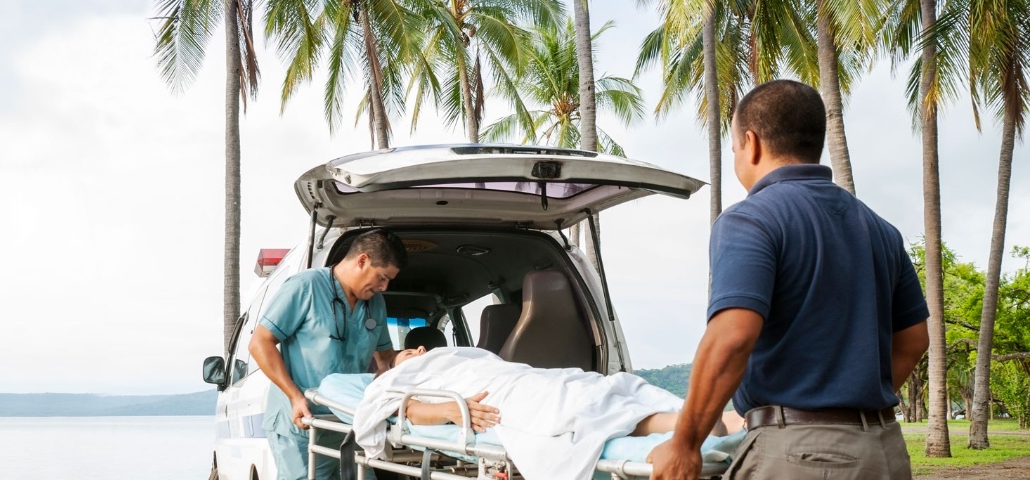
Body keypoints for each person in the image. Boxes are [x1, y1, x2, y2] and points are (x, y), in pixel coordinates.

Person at [647, 80, 930, 480]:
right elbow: (914, 340)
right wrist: (848, 406)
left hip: (803, 457)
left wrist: (684, 443)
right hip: (882, 450)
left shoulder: (751, 219)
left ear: (752, 142)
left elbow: (732, 337)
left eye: (734, 150)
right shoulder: (880, 229)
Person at [355, 347, 741, 480]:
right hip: (496, 395)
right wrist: (455, 412)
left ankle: (688, 419)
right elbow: (409, 413)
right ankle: (687, 420)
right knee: (567, 409)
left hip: (514, 377)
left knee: (586, 388)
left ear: (422, 348)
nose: (409, 358)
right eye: (398, 360)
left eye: (409, 353)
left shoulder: (454, 354)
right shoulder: (399, 381)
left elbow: (493, 366)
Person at [249, 228, 409, 480]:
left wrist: (413, 363)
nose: (384, 287)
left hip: (348, 423)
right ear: (362, 260)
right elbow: (260, 343)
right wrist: (294, 397)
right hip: (303, 423)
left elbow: (385, 360)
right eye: (382, 277)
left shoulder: (375, 304)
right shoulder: (306, 286)